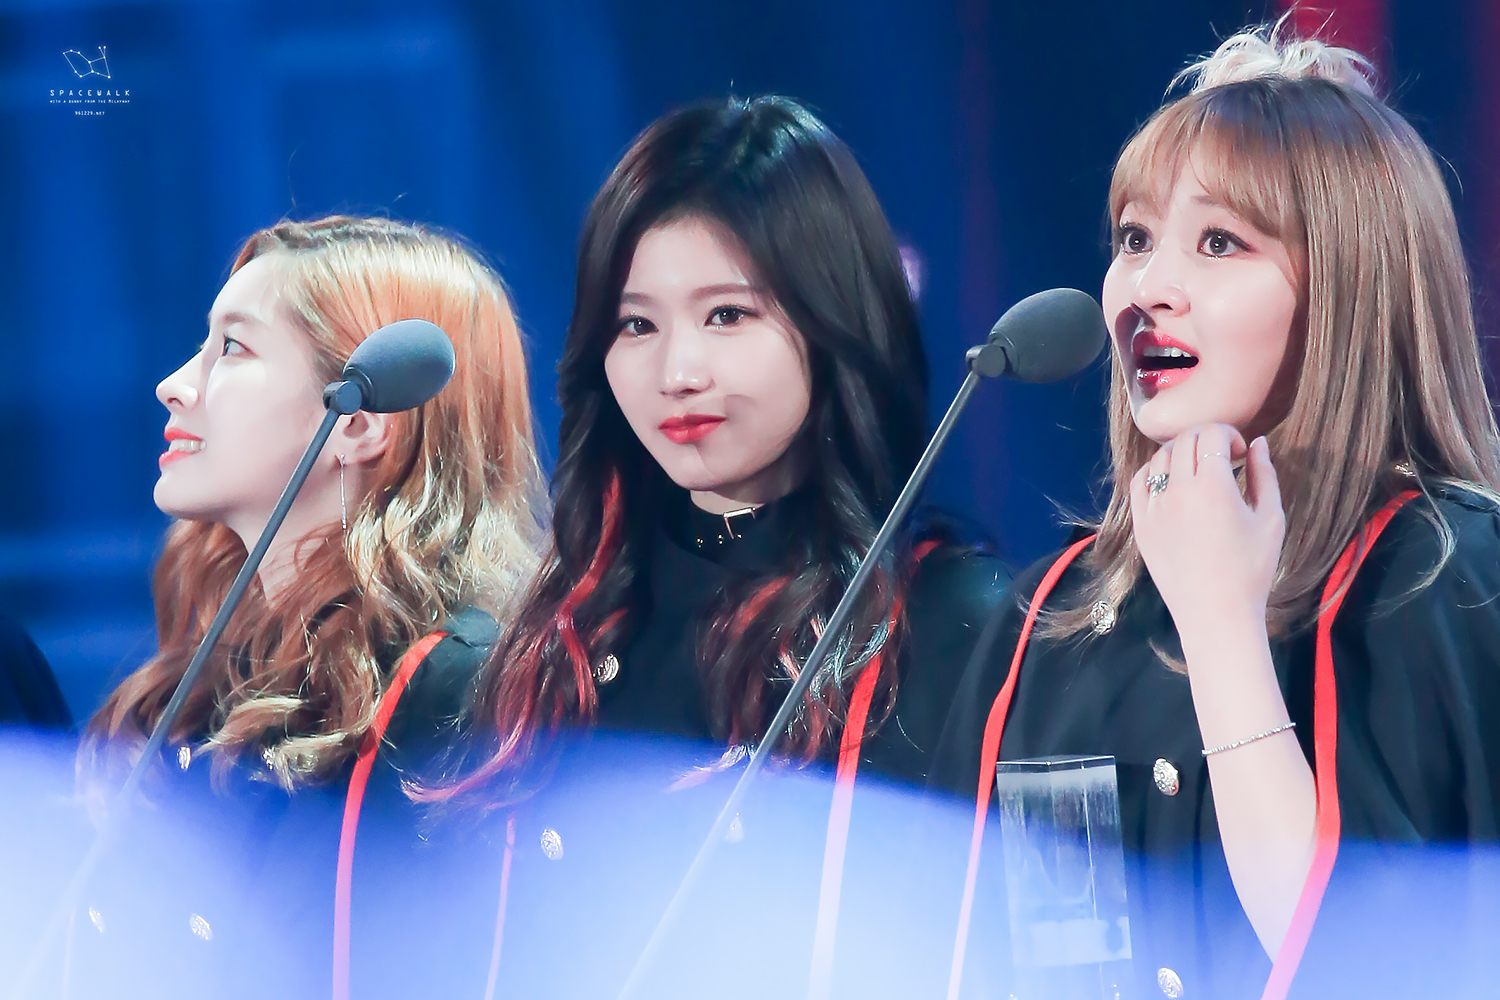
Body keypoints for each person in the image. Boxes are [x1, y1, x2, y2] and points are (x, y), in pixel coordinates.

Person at [931, 23, 1500, 1000]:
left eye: (1219, 242)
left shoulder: (1443, 574)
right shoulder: (1046, 617)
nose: (1147, 290)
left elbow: (1363, 964)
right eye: (1135, 239)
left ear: (1348, 287)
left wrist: (1222, 624)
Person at [426, 96, 1008, 998]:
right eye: (637, 325)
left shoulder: (958, 624)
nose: (678, 372)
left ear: (833, 320)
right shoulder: (559, 633)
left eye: (728, 316)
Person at [68, 215, 547, 997]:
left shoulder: (458, 688)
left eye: (232, 347)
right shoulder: (207, 681)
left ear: (357, 422)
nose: (175, 384)